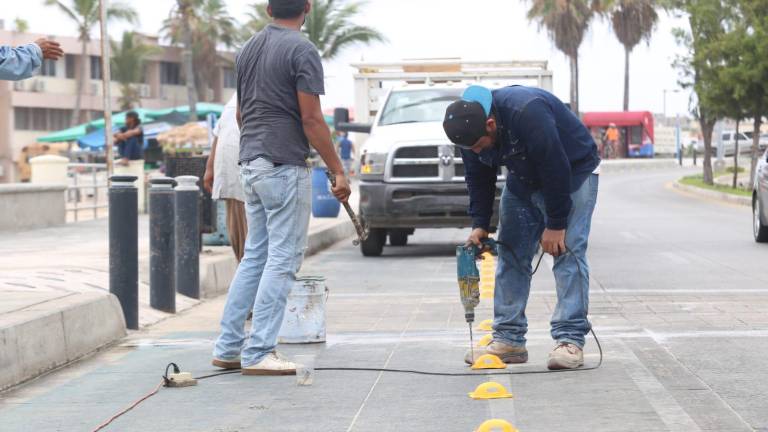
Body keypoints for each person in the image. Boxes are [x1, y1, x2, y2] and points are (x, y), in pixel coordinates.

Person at [212, 0, 351, 376]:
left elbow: (241, 114)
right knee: (284, 259)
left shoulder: (248, 49)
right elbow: (310, 117)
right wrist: (337, 169)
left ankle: (228, 347)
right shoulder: (302, 50)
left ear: (268, 9)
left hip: (252, 164)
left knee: (255, 256)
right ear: (307, 7)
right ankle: (258, 351)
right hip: (282, 165)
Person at [443, 85, 600, 370]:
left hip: (574, 172)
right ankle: (509, 339)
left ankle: (570, 340)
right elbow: (478, 177)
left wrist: (556, 224)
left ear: (490, 124)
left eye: (479, 145)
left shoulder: (527, 111)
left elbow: (555, 166)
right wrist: (480, 225)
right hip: (524, 177)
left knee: (567, 252)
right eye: (470, 149)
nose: (476, 151)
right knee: (511, 252)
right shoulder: (468, 130)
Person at [204, 93, 247, 262]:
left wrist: (209, 168)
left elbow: (218, 132)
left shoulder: (237, 93)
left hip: (235, 162)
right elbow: (220, 132)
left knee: (242, 226)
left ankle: (246, 272)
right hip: (241, 162)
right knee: (247, 229)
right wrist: (209, 168)